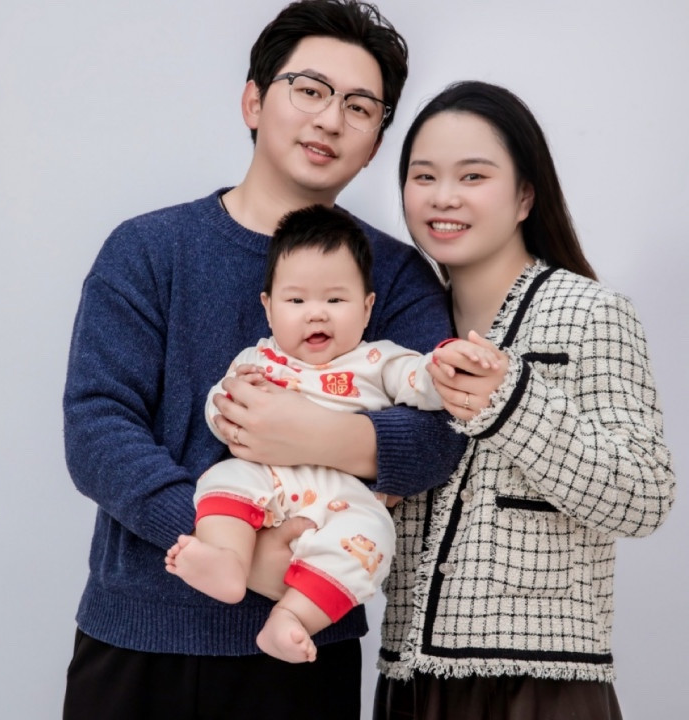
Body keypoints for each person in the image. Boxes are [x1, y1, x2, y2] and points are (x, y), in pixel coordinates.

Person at [62, 2, 467, 719]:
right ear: (253, 100)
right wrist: (237, 548)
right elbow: (98, 429)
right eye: (309, 90)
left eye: (359, 106)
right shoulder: (148, 250)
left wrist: (316, 435)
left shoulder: (396, 276)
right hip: (138, 633)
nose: (330, 119)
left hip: (303, 649)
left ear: (376, 142)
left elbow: (440, 434)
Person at [373, 80, 676, 720]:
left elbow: (646, 496)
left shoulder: (592, 313)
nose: (443, 197)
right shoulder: (400, 330)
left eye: (473, 176)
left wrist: (512, 405)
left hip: (540, 685)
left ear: (524, 196)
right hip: (409, 680)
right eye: (423, 176)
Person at [164, 205, 498, 664]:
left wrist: (444, 366)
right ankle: (226, 559)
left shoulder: (376, 360)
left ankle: (292, 617)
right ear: (268, 308)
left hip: (341, 495)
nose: (316, 315)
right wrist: (224, 406)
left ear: (366, 308)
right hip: (265, 477)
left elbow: (417, 380)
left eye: (336, 301)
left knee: (371, 538)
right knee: (221, 481)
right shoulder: (258, 359)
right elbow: (220, 402)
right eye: (296, 301)